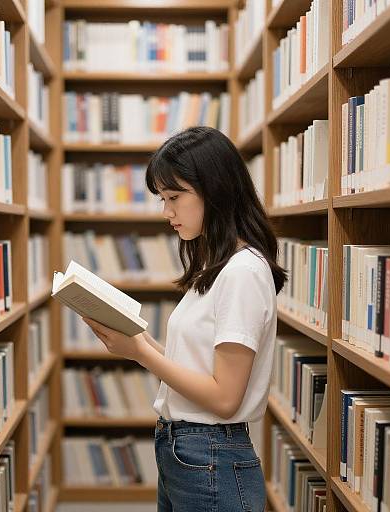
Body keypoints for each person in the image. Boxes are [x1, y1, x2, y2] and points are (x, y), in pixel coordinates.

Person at [83, 126, 287, 512]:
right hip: (186, 451)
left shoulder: (242, 272)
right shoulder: (216, 265)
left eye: (175, 197)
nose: (167, 212)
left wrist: (142, 354)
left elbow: (225, 398)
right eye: (163, 198)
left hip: (210, 454)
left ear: (216, 189)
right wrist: (138, 343)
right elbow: (198, 368)